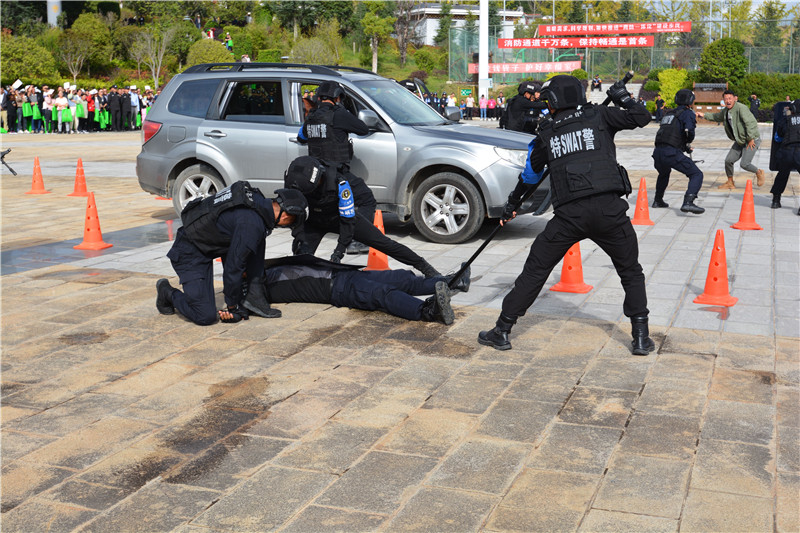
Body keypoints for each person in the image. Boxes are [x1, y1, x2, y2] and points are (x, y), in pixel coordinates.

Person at [478, 75, 654, 356]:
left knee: (535, 270)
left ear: (554, 101)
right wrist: (623, 97)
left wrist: (511, 205)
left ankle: (502, 330)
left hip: (569, 216)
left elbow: (529, 177)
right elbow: (642, 116)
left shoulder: (545, 135)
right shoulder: (602, 116)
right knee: (631, 271)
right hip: (610, 212)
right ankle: (641, 337)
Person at [156, 183, 308, 325]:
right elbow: (233, 268)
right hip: (189, 252)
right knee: (204, 316)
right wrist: (232, 306)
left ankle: (254, 297)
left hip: (213, 243)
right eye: (291, 223)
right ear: (286, 216)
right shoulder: (251, 224)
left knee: (257, 238)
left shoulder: (258, 204)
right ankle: (167, 292)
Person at [284, 155, 442, 277]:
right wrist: (299, 237)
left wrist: (339, 251)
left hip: (340, 218)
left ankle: (427, 269)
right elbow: (294, 216)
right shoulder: (294, 182)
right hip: (314, 220)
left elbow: (347, 222)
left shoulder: (340, 183)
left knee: (385, 244)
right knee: (301, 254)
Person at [260, 255, 471, 325]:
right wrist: (231, 311)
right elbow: (247, 302)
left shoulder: (261, 268)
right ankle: (428, 312)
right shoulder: (254, 287)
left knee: (401, 278)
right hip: (338, 289)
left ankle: (452, 282)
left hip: (345, 273)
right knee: (382, 294)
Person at [696, 90, 765, 189]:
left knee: (744, 164)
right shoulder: (726, 111)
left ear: (735, 99)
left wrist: (750, 138)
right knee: (728, 160)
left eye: (730, 98)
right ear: (723, 100)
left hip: (752, 139)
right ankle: (730, 182)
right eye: (725, 99)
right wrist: (704, 115)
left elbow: (751, 123)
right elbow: (716, 117)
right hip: (740, 140)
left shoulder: (741, 108)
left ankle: (759, 172)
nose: (728, 101)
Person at [651, 89, 704, 214]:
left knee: (664, 173)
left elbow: (670, 134)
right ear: (690, 101)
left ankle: (658, 200)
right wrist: (688, 141)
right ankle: (688, 202)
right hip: (671, 152)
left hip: (658, 152)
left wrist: (684, 147)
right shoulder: (688, 113)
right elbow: (689, 131)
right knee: (696, 174)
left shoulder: (669, 114)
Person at [770, 99, 800, 210]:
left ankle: (776, 201)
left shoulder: (786, 120)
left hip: (786, 152)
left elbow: (777, 138)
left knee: (782, 175)